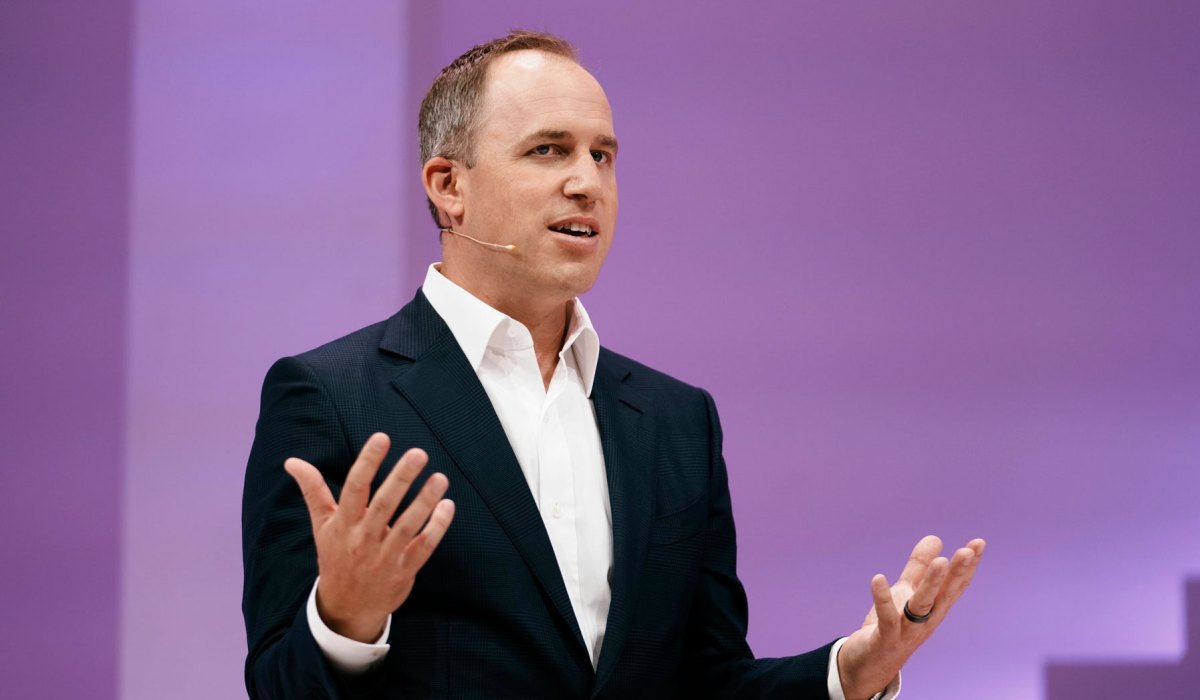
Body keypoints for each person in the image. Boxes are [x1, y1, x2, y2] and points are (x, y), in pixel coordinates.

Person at [241, 30, 985, 699]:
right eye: (548, 150)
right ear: (449, 186)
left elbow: (706, 680)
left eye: (603, 154)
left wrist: (847, 676)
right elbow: (277, 687)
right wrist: (346, 620)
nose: (587, 181)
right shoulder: (331, 397)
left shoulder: (674, 420)